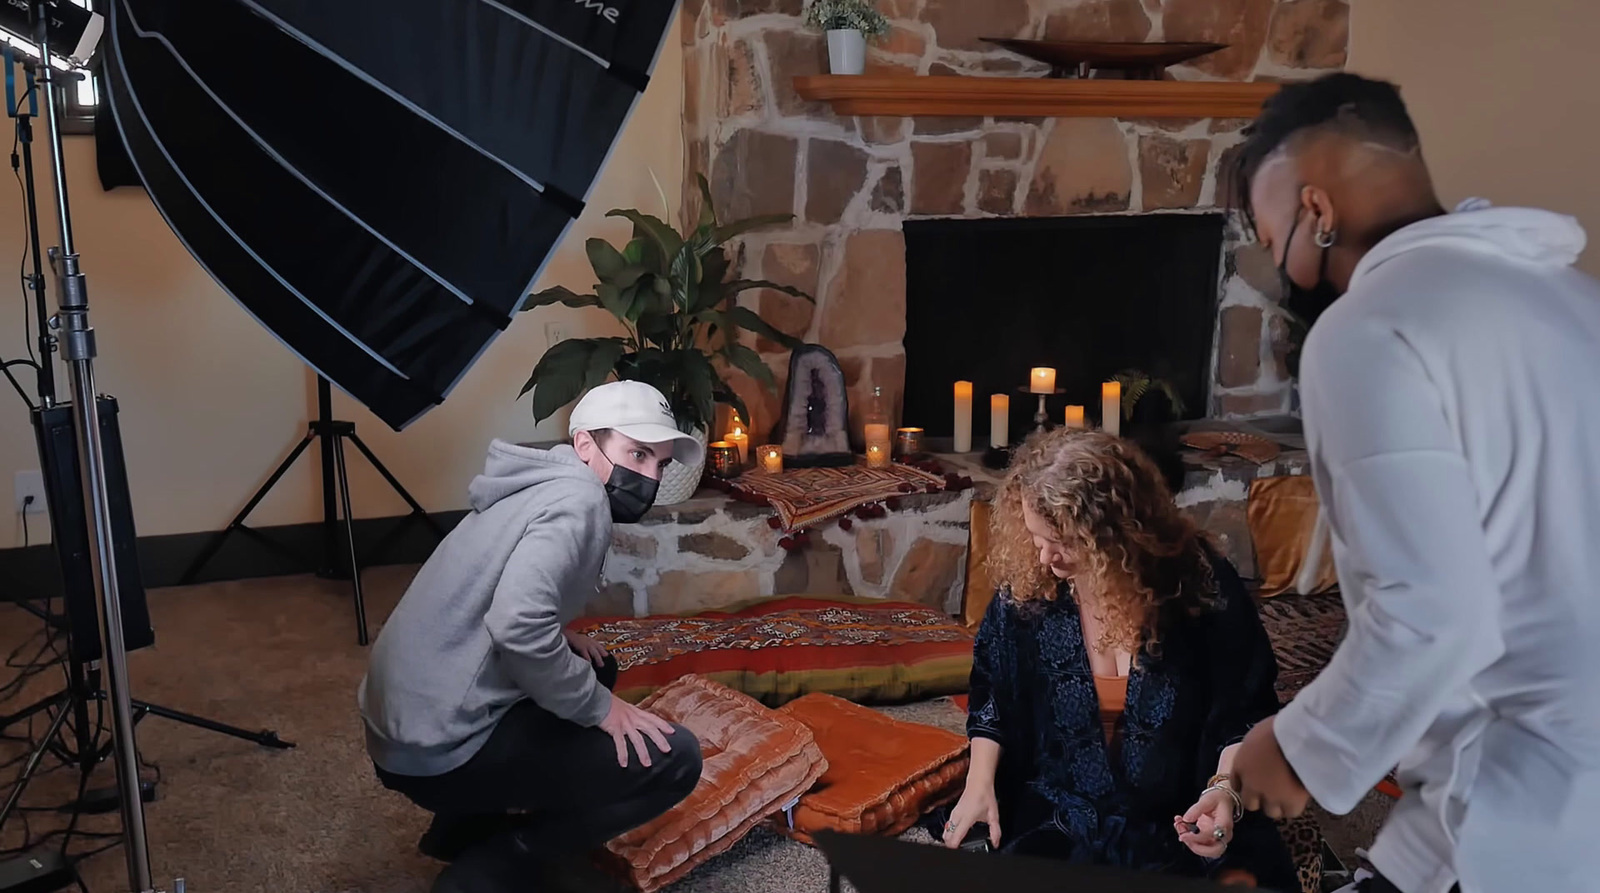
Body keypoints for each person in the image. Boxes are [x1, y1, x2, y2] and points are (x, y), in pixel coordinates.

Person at [1224, 72, 1600, 893]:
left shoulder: (1369, 329)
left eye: (1270, 236)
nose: (1279, 266)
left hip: (1526, 817)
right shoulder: (1577, 303)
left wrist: (1293, 749)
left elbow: (1434, 614)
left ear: (1316, 212)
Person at [357, 380, 706, 892]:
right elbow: (519, 625)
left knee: (593, 665)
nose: (648, 476)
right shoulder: (580, 501)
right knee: (676, 758)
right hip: (435, 751)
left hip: (400, 727)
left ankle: (463, 828)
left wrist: (562, 639)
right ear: (586, 444)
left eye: (659, 462)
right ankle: (500, 863)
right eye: (636, 453)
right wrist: (602, 710)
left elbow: (495, 587)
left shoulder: (537, 486)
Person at [940, 428, 1297, 890]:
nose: (1046, 556)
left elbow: (1244, 712)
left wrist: (1223, 790)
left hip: (1180, 820)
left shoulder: (1202, 588)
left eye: (1064, 542)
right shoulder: (1031, 588)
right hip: (1062, 814)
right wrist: (979, 783)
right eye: (1035, 536)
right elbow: (992, 693)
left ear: (1116, 536)